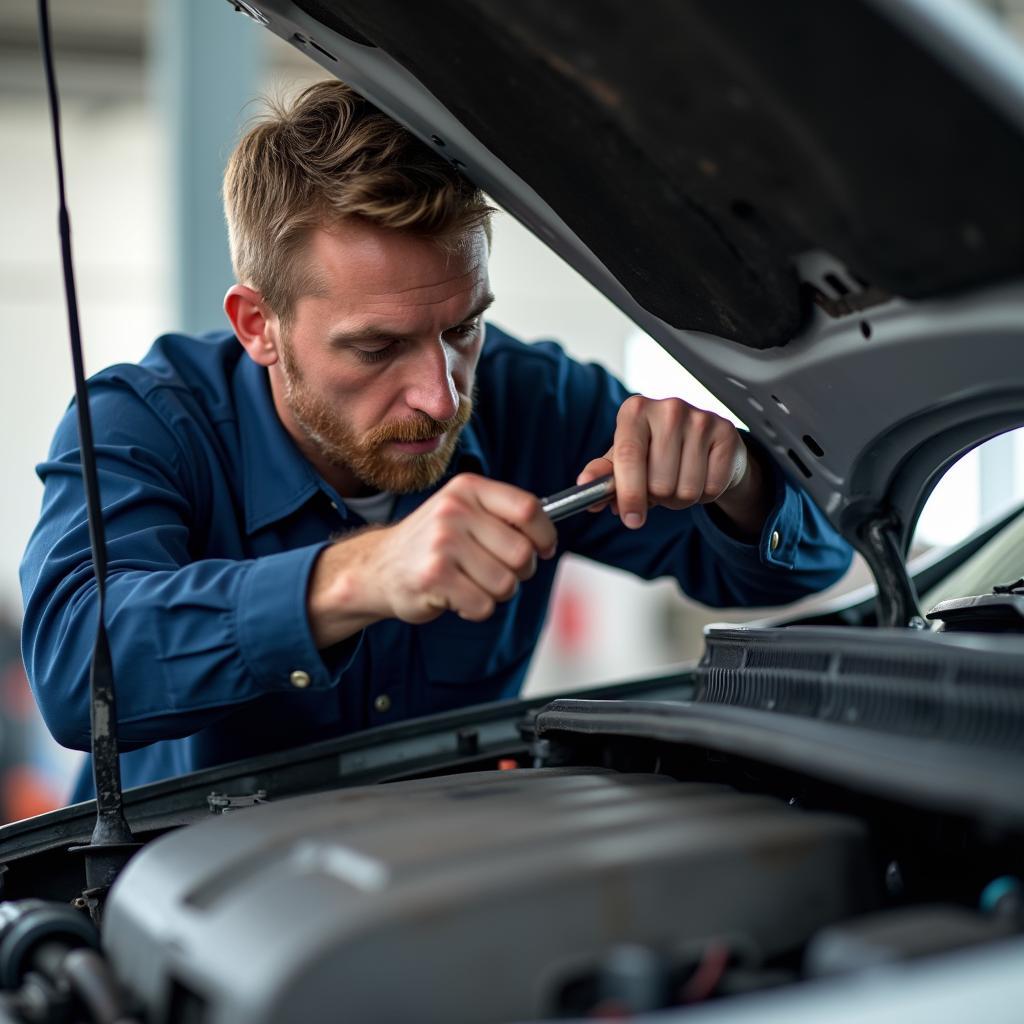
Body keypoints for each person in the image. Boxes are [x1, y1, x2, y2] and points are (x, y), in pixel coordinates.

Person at [20, 81, 852, 803]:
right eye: (376, 348)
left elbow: (810, 563)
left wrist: (740, 476)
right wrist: (358, 575)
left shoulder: (535, 404)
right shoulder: (145, 422)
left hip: (437, 882)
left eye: (462, 328)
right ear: (258, 326)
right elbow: (73, 672)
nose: (442, 394)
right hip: (180, 910)